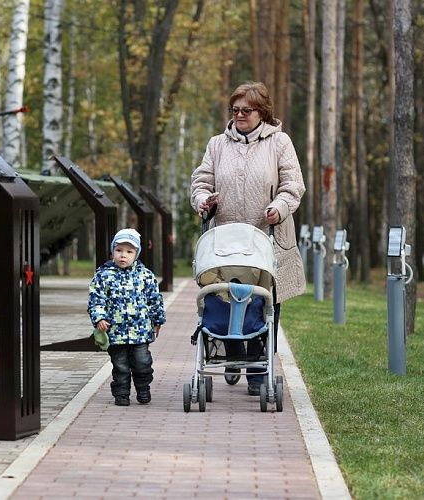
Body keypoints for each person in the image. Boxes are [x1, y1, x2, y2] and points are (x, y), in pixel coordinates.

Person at [190, 81, 306, 396]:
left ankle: (258, 370)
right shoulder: (217, 145)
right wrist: (203, 199)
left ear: (262, 112)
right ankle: (235, 356)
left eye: (246, 110)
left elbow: (293, 185)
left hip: (267, 236)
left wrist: (279, 207)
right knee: (227, 298)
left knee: (264, 300)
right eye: (235, 109)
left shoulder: (280, 143)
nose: (239, 115)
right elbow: (201, 179)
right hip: (226, 239)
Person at [88, 228, 166, 406]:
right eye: (119, 250)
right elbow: (96, 299)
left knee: (142, 362)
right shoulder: (103, 275)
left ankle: (143, 388)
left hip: (140, 331)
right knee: (120, 365)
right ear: (112, 251)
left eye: (129, 252)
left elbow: (155, 299)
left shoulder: (145, 275)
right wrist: (99, 318)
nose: (123, 255)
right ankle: (121, 394)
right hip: (115, 331)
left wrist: (157, 320)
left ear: (136, 254)